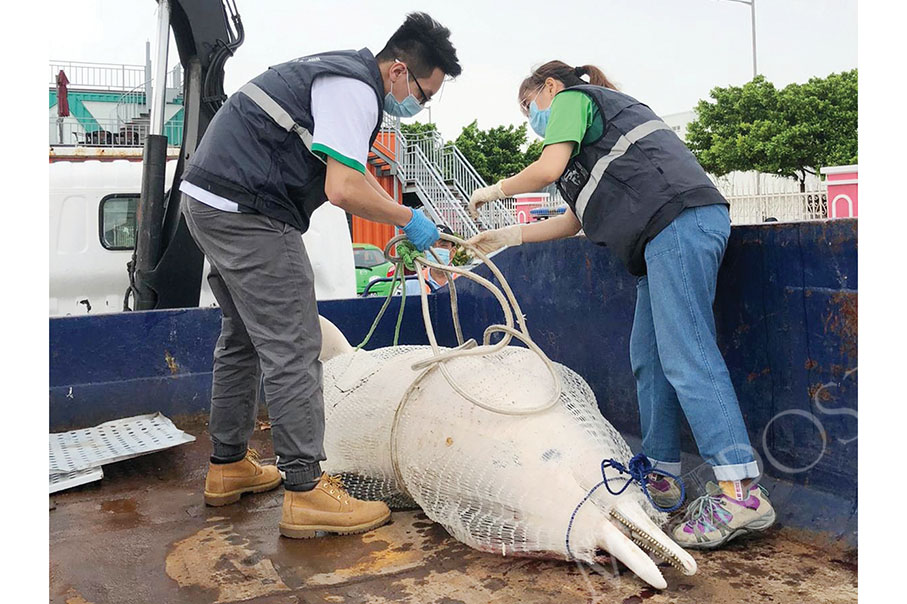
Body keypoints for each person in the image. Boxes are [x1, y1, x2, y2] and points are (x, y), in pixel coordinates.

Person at [466, 61, 775, 550]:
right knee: (650, 361)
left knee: (687, 358)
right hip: (660, 239)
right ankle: (661, 479)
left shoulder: (575, 99)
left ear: (551, 87)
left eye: (530, 108)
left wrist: (494, 190)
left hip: (679, 223)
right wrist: (504, 235)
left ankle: (741, 493)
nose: (533, 121)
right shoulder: (588, 150)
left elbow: (545, 167)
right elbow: (571, 223)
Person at [179, 13, 461, 539]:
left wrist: (412, 220)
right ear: (398, 71)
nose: (419, 106)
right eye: (425, 93)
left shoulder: (332, 75)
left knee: (242, 340)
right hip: (250, 210)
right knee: (294, 343)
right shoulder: (357, 88)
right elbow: (343, 189)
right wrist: (410, 218)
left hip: (211, 199)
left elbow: (348, 180)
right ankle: (307, 492)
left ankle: (227, 465)